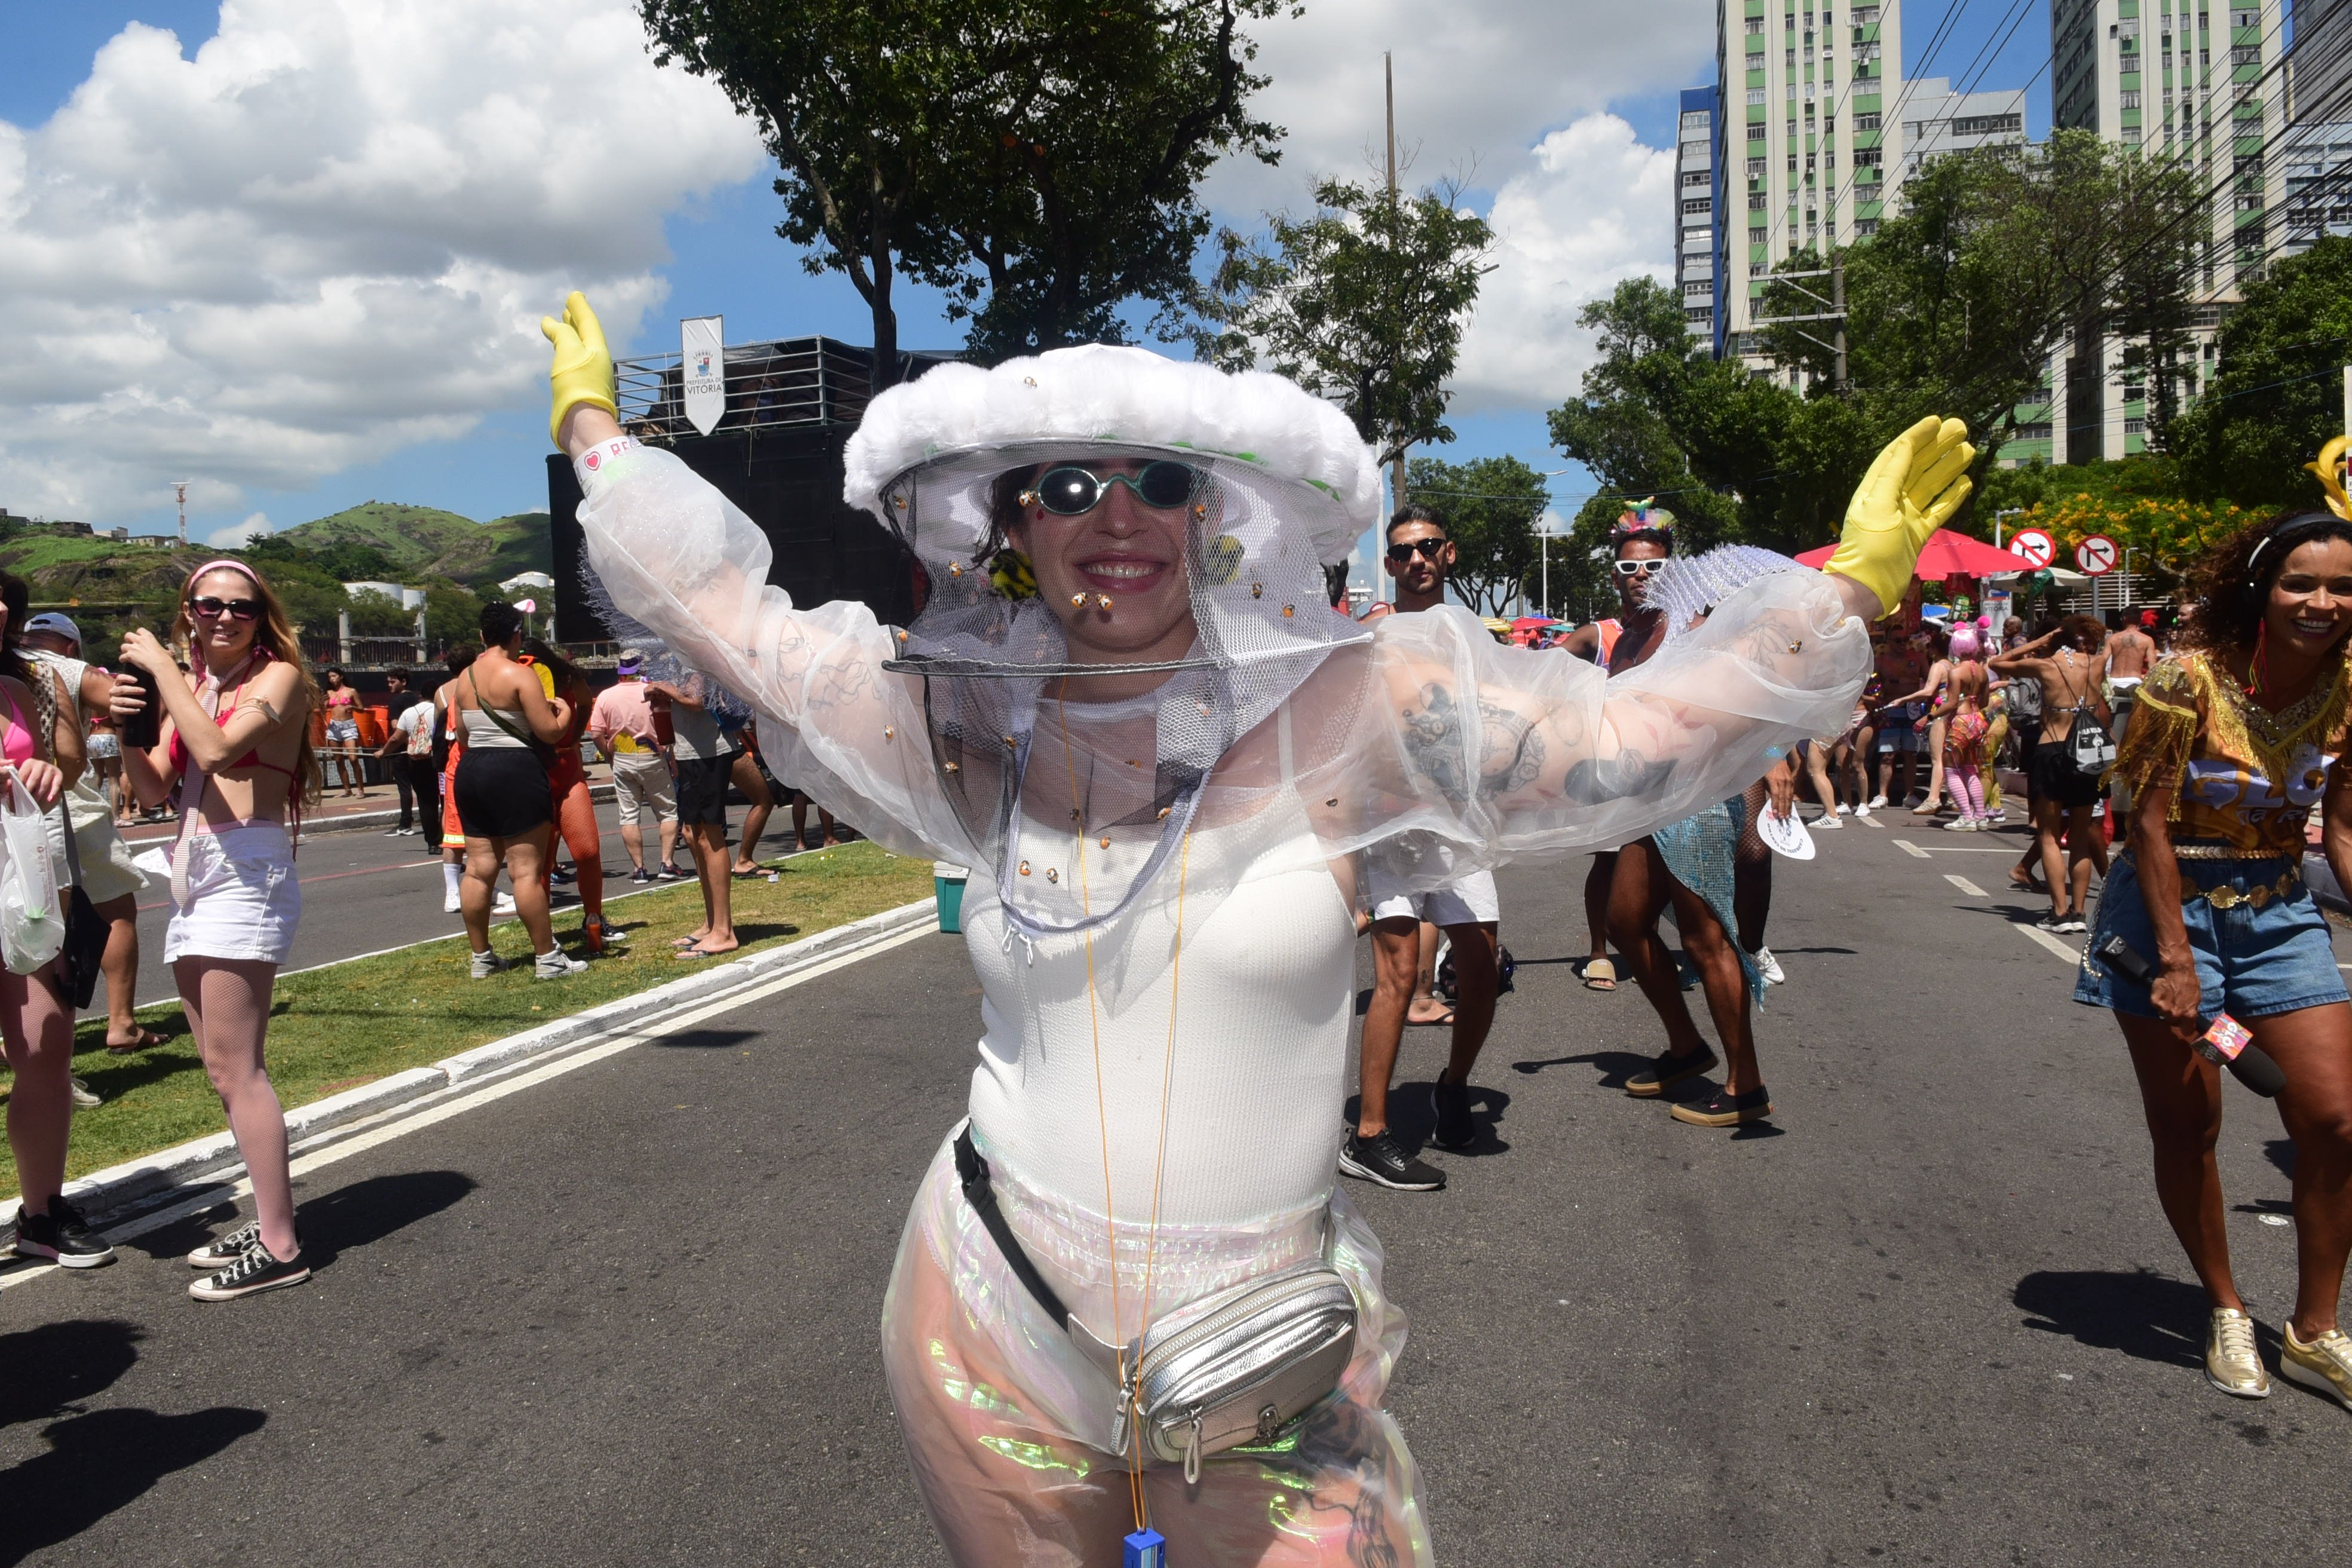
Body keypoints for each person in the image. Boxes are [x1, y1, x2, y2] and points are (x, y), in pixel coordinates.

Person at [547, 289, 1965, 1560]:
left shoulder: (1353, 702)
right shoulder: (958, 718)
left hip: (1269, 1348)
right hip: (994, 1315)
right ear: (1013, 524)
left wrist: (1848, 585)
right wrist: (598, 432)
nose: (1116, 516)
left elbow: (1633, 734)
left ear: (1212, 516)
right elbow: (735, 624)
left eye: (1156, 481)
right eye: (1066, 484)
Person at [2074, 496, 2352, 1411]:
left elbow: (2341, 826)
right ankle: (2228, 1307)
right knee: (2191, 1125)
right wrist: (2175, 961)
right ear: (2263, 590)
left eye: (2343, 588)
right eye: (2300, 584)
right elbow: (2141, 821)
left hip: (2279, 906)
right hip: (2170, 909)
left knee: (2335, 1121)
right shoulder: (2185, 680)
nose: (2323, 603)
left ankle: (2315, 1332)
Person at [110, 559, 321, 1298]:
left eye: (242, 605)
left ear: (262, 615)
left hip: (246, 865)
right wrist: (128, 726)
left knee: (241, 1067)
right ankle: (271, 1218)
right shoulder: (195, 686)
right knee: (219, 1068)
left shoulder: (280, 678)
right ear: (190, 609)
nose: (225, 615)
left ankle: (282, 1245)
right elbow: (152, 786)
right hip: (194, 866)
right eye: (210, 604)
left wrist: (167, 671)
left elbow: (217, 751)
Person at [1340, 504, 1502, 1192]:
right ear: (1390, 562)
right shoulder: (1370, 634)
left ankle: (1454, 1087)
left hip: (1458, 821)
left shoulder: (1473, 634)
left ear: (1450, 553)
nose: (1416, 560)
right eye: (1404, 551)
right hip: (1389, 822)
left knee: (1482, 962)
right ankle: (1369, 1133)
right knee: (1399, 970)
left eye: (1428, 547)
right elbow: (1339, 733)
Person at [0, 581, 105, 1267]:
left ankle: (41, 1211)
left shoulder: (28, 677)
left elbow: (68, 762)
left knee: (47, 1047)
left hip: (22, 882)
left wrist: (44, 763)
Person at [19, 611, 166, 1056]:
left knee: (25, 922)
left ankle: (20, 1030)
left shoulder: (11, 664)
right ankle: (121, 1023)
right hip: (67, 803)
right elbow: (124, 701)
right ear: (70, 645)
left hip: (15, 811)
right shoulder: (61, 668)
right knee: (115, 910)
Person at [1559, 515, 1670, 991]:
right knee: (1607, 860)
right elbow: (1544, 678)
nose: (1640, 575)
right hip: (1614, 766)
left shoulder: (1687, 629)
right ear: (1615, 575)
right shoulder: (1598, 635)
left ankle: (1652, 946)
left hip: (1670, 768)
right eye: (1629, 567)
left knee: (1666, 862)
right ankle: (1599, 950)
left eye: (1653, 567)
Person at [450, 604, 584, 979]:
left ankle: (482, 958)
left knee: (478, 870)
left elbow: (462, 735)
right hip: (514, 768)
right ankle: (547, 958)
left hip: (473, 768)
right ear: (516, 635)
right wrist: (565, 714)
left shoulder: (465, 677)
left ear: (481, 637)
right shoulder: (521, 675)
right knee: (525, 871)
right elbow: (550, 732)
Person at [1992, 615, 2110, 931]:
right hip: (2087, 753)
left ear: (2057, 639)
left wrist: (2039, 643)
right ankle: (2079, 912)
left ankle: (2059, 913)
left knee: (2049, 834)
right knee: (2082, 837)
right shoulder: (2097, 664)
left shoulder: (2046, 665)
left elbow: (1998, 662)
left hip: (2052, 749)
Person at [521, 639, 618, 954]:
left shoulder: (565, 678)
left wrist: (574, 736)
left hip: (567, 769)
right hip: (533, 772)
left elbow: (587, 704)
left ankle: (594, 916)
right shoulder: (515, 678)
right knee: (541, 863)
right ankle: (544, 934)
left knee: (587, 851)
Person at [644, 669, 737, 957]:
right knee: (692, 834)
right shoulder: (677, 653)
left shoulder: (695, 651)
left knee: (710, 835)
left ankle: (724, 931)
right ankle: (711, 923)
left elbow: (696, 699)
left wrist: (662, 686)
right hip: (690, 752)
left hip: (709, 751)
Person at [586, 648, 681, 883]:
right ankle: (667, 863)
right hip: (653, 755)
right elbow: (670, 731)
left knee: (629, 816)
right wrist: (673, 759)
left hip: (622, 758)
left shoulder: (606, 696)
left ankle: (639, 869)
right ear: (642, 668)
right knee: (668, 811)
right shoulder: (654, 692)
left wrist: (608, 754)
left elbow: (597, 733)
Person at [1923, 623, 1995, 829]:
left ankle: (1966, 817)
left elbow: (1951, 703)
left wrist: (1929, 717)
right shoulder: (1981, 671)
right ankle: (1979, 816)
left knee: (1951, 768)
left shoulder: (1956, 673)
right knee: (1970, 769)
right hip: (1978, 719)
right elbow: (1985, 701)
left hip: (1961, 721)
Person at [376, 667, 427, 835]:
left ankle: (405, 823)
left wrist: (384, 751)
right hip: (420, 750)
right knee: (421, 788)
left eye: (393, 681)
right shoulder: (416, 699)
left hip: (401, 752)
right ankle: (429, 822)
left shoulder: (396, 701)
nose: (389, 685)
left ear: (403, 682)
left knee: (404, 788)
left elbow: (396, 728)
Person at [728, 717, 779, 875]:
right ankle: (742, 860)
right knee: (763, 800)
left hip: (724, 747)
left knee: (763, 800)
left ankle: (743, 861)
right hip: (722, 749)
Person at [320, 666, 364, 798]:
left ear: (341, 676)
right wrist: (322, 704)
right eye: (330, 677)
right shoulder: (329, 693)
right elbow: (323, 709)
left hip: (349, 726)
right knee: (338, 760)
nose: (332, 679)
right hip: (334, 726)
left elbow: (362, 709)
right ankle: (347, 789)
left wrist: (354, 707)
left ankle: (360, 789)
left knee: (353, 758)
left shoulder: (351, 691)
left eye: (334, 676)